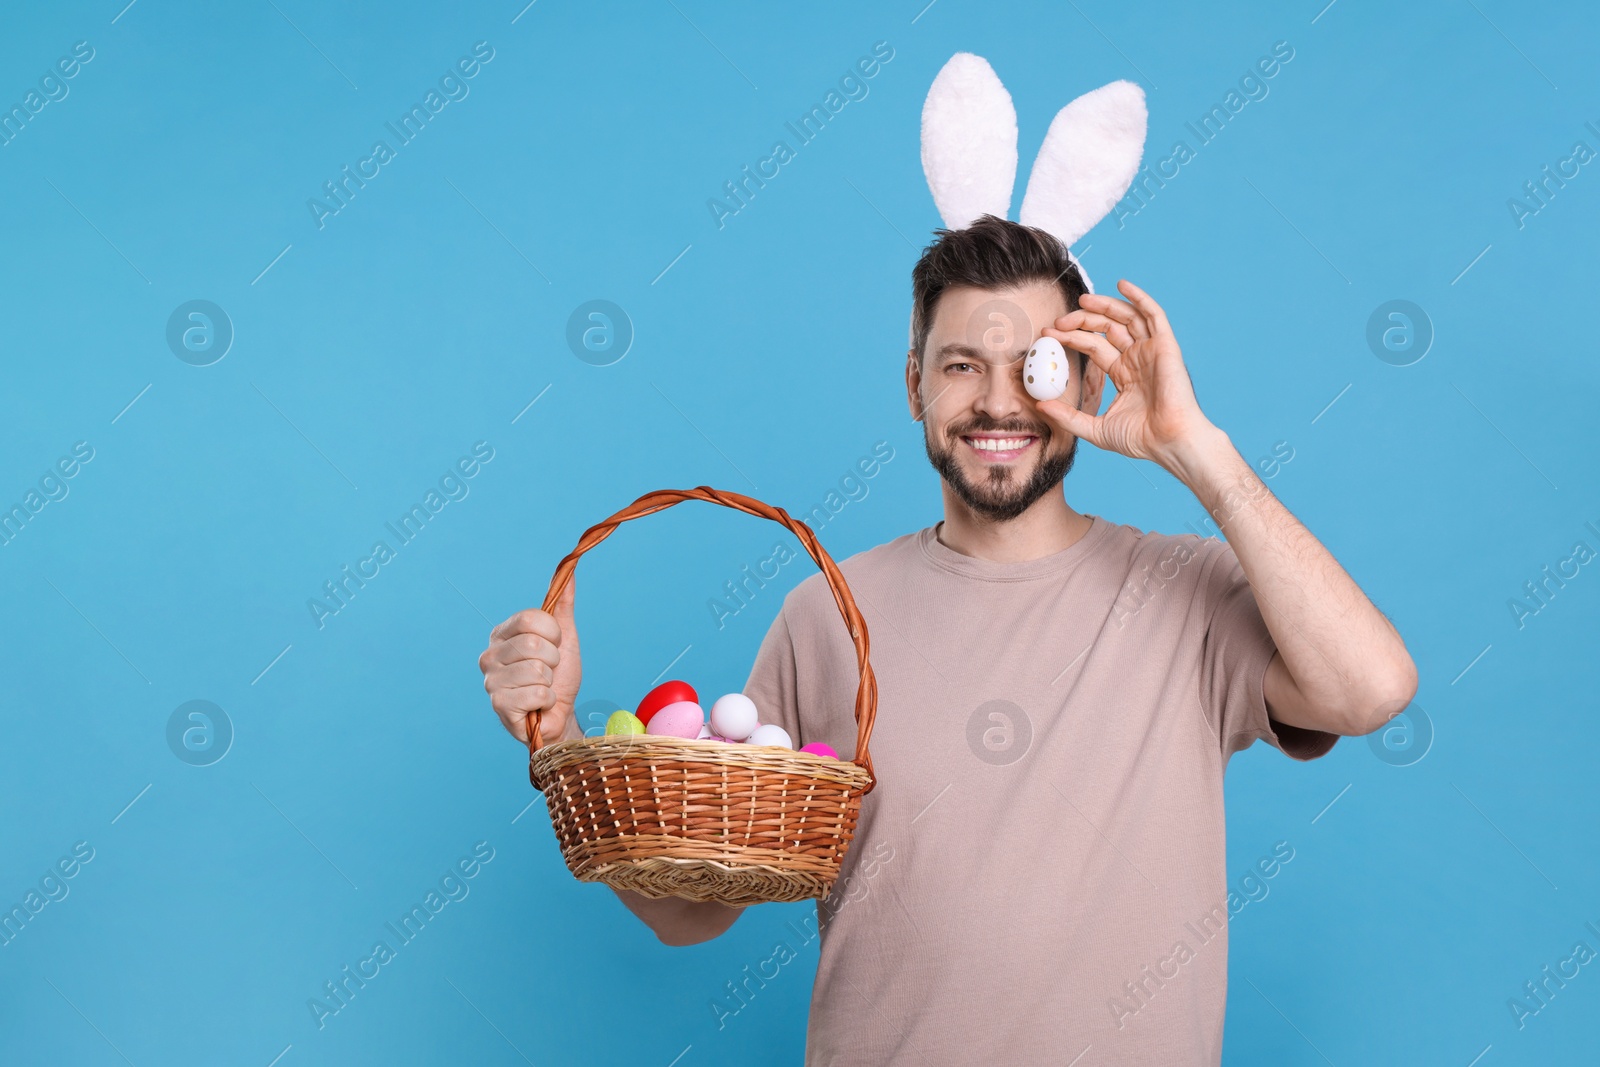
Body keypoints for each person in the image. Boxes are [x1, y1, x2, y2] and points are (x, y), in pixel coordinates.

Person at [478, 216, 1418, 1065]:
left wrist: (1197, 450)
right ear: (915, 384)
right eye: (963, 364)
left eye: (1036, 366)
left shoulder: (1185, 591)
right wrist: (559, 747)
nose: (998, 404)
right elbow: (693, 910)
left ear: (1088, 380)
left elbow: (1370, 688)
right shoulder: (828, 616)